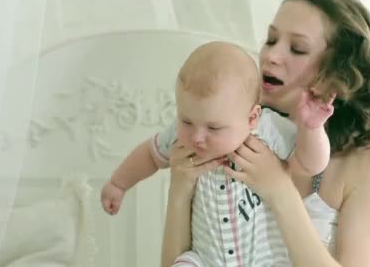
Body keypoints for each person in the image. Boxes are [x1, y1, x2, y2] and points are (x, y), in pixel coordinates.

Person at [160, 0, 370, 267]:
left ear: (337, 73)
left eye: (297, 48)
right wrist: (180, 187)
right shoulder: (224, 135)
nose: (270, 56)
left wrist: (279, 189)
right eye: (271, 40)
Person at [100, 41, 335, 264]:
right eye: (187, 121)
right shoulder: (179, 139)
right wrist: (119, 184)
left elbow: (311, 164)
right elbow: (150, 155)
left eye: (214, 128)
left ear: (251, 118)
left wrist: (311, 128)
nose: (197, 137)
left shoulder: (269, 130)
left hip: (264, 259)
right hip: (206, 258)